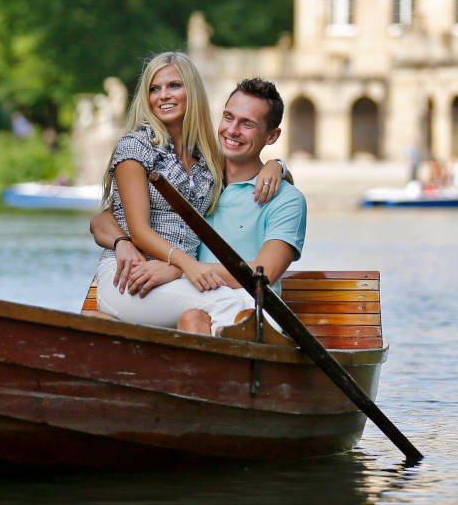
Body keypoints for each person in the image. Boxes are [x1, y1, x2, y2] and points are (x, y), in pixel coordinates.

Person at [92, 77, 305, 335]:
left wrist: (178, 270)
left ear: (272, 136)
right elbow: (104, 220)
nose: (233, 130)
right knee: (193, 318)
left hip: (251, 313)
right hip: (189, 305)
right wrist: (121, 241)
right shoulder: (202, 180)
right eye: (228, 117)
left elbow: (265, 274)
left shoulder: (286, 200)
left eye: (247, 124)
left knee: (195, 318)